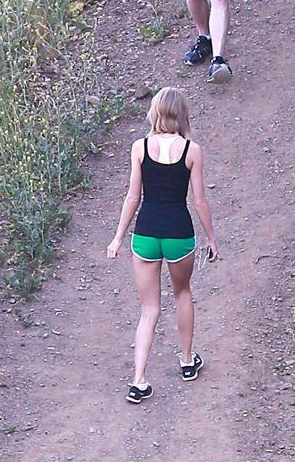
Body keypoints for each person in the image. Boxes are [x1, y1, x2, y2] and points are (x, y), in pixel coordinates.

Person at [107, 87, 219, 404]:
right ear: (182, 114)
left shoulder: (139, 147)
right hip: (178, 234)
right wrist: (211, 238)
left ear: (154, 112)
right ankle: (186, 361)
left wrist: (118, 237)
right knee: (182, 292)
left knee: (149, 310)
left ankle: (138, 381)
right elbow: (199, 200)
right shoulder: (192, 150)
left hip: (145, 234)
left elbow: (133, 197)